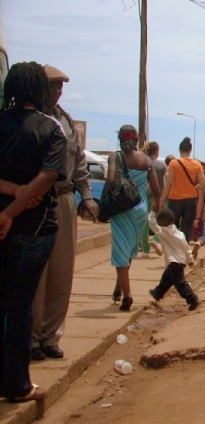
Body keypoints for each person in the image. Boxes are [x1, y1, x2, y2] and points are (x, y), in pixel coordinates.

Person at [0, 61, 67, 403]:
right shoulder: (50, 128)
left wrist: (10, 195)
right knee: (20, 304)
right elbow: (48, 176)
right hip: (35, 226)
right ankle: (18, 384)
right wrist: (16, 206)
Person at [30, 65, 99, 362]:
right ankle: (32, 337)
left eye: (60, 87)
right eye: (52, 86)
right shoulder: (31, 120)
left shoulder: (66, 122)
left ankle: (51, 335)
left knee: (61, 271)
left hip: (64, 198)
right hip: (35, 200)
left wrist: (86, 197)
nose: (57, 92)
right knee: (37, 272)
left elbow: (79, 162)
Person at [107, 125, 161, 312]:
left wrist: (103, 201)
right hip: (140, 209)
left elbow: (110, 179)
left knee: (120, 250)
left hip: (121, 209)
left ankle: (127, 296)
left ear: (120, 140)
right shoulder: (146, 160)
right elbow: (155, 189)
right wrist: (158, 206)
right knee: (129, 249)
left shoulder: (115, 157)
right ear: (137, 140)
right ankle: (119, 286)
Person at [147, 209, 199, 311]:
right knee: (166, 279)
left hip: (173, 262)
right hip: (179, 262)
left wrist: (152, 213)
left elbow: (152, 225)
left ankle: (192, 299)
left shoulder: (164, 231)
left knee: (180, 284)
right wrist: (190, 259)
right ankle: (158, 293)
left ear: (163, 222)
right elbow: (186, 248)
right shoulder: (180, 234)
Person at [159, 137, 205, 242]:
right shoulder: (197, 164)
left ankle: (174, 247)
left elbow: (169, 183)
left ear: (179, 150)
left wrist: (162, 199)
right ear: (190, 150)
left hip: (175, 198)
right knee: (187, 228)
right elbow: (203, 183)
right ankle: (184, 247)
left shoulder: (173, 163)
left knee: (173, 226)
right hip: (191, 199)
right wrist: (194, 188)